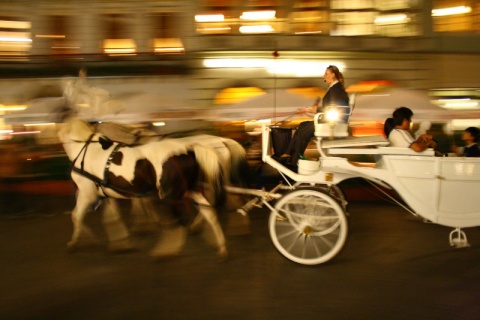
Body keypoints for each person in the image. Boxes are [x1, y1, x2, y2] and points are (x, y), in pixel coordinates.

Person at [278, 65, 350, 170]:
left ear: (333, 75)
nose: (324, 76)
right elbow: (332, 107)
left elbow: (335, 109)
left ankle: (293, 161)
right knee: (302, 125)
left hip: (331, 124)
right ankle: (289, 154)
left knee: (304, 131)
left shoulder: (336, 89)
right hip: (328, 121)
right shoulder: (335, 89)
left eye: (326, 73)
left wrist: (317, 110)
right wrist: (315, 109)